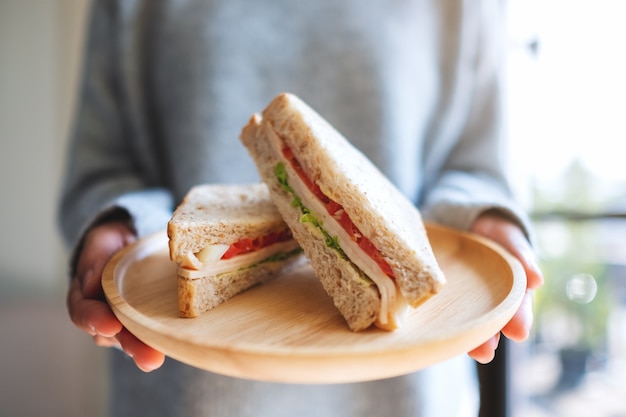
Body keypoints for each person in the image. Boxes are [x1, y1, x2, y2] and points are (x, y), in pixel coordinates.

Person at [58, 1, 544, 416]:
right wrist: (118, 224)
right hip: (183, 392)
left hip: (408, 393)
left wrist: (486, 219)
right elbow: (104, 166)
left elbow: (478, 164)